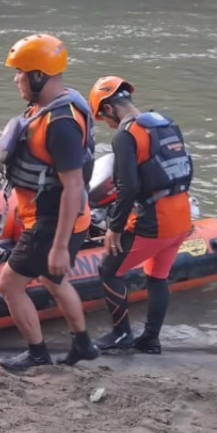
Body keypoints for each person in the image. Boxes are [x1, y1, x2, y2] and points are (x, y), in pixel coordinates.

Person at [0, 34, 101, 371]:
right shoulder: (49, 107)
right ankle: (83, 344)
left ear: (39, 75)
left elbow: (73, 187)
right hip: (59, 218)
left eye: (21, 73)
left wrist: (57, 247)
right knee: (54, 281)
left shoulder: (62, 124)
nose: (16, 79)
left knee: (9, 286)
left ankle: (37, 354)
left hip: (52, 221)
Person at [87, 76, 194, 354]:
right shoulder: (166, 123)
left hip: (155, 221)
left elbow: (128, 187)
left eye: (104, 116)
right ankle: (151, 339)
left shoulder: (126, 135)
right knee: (158, 277)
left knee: (109, 271)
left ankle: (122, 335)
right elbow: (184, 167)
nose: (107, 123)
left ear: (110, 108)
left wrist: (115, 227)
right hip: (181, 215)